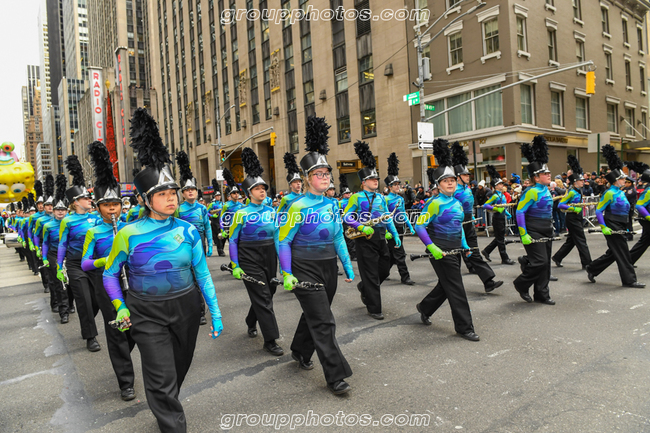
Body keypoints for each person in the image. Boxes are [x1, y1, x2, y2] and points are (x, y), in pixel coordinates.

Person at [103, 108, 223, 432]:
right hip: (145, 312)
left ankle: (167, 404)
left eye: (173, 194)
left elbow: (202, 274)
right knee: (160, 376)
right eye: (163, 195)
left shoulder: (188, 230)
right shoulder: (128, 233)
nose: (171, 199)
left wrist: (214, 311)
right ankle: (172, 424)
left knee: (177, 370)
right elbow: (109, 274)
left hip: (186, 307)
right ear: (145, 199)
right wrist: (120, 305)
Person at [277, 115, 354, 395]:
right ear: (307, 179)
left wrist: (347, 265)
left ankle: (299, 349)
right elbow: (283, 240)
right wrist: (287, 272)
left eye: (327, 174)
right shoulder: (296, 206)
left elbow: (338, 236)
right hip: (303, 267)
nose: (325, 178)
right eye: (319, 174)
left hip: (328, 266)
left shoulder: (333, 205)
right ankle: (336, 375)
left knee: (316, 313)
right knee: (323, 320)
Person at [81, 141, 137, 401]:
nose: (113, 208)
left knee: (134, 328)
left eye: (116, 203)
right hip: (106, 284)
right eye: (107, 205)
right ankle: (126, 382)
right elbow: (85, 263)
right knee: (116, 332)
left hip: (134, 283)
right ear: (98, 207)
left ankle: (125, 355)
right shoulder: (93, 232)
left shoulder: (131, 227)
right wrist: (106, 261)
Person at [414, 139, 479, 342]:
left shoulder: (457, 203)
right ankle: (464, 327)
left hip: (455, 249)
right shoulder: (433, 203)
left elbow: (458, 227)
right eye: (445, 181)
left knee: (446, 285)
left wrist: (465, 245)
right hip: (440, 251)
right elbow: (419, 226)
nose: (450, 183)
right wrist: (431, 247)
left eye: (452, 180)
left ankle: (425, 307)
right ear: (438, 185)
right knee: (456, 287)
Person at [229, 147, 282, 355]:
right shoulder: (240, 214)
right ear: (249, 193)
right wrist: (235, 265)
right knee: (262, 294)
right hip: (248, 257)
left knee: (269, 292)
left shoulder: (272, 211)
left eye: (263, 188)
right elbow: (233, 240)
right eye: (257, 188)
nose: (262, 191)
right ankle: (271, 340)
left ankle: (251, 320)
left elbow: (277, 237)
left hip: (269, 255)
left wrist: (284, 262)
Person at [343, 140, 400, 320]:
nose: (376, 181)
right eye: (372, 179)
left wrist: (394, 233)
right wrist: (360, 226)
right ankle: (374, 308)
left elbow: (387, 217)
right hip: (364, 238)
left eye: (376, 179)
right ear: (363, 182)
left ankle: (364, 287)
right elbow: (346, 216)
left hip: (381, 236)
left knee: (384, 270)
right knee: (370, 273)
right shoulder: (356, 197)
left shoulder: (381, 198)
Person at [57, 155, 102, 351]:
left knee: (96, 301)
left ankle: (87, 319)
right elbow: (62, 245)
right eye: (85, 198)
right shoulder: (67, 221)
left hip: (94, 263)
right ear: (75, 202)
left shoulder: (97, 218)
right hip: (75, 264)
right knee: (84, 299)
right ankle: (90, 337)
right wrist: (59, 267)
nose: (89, 200)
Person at [586, 146, 645, 288]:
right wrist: (603, 227)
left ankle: (593, 268)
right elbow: (599, 211)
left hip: (621, 223)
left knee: (614, 252)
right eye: (621, 178)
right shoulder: (609, 193)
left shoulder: (620, 192)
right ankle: (629, 280)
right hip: (612, 223)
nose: (624, 180)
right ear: (615, 181)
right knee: (623, 251)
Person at [450, 141, 503, 292]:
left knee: (473, 249)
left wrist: (471, 216)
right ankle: (450, 286)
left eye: (468, 174)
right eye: (465, 175)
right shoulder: (453, 190)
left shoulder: (467, 188)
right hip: (456, 223)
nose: (468, 176)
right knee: (455, 256)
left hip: (468, 220)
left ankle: (488, 281)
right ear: (458, 176)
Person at [513, 136, 556, 305]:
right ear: (536, 178)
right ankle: (521, 284)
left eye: (549, 173)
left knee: (545, 264)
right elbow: (520, 211)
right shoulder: (531, 191)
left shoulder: (546, 190)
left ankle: (542, 294)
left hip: (547, 228)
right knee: (540, 262)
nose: (549, 175)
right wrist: (523, 233)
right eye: (545, 173)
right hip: (533, 229)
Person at [552, 155, 592, 269]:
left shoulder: (579, 191)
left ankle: (557, 257)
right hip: (572, 218)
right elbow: (561, 204)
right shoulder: (571, 192)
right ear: (575, 182)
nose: (583, 182)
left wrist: (582, 207)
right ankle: (587, 263)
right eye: (580, 181)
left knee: (571, 241)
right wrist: (574, 209)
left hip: (578, 217)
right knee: (581, 240)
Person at [42, 175, 71, 324]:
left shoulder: (71, 223)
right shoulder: (47, 226)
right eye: (57, 209)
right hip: (54, 255)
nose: (60, 212)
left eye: (63, 209)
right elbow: (45, 243)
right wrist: (44, 258)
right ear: (53, 211)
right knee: (59, 284)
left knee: (71, 283)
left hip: (70, 255)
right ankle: (63, 311)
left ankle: (70, 304)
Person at [384, 152, 415, 285]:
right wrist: (387, 231)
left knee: (392, 254)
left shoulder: (401, 199)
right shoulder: (385, 199)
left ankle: (382, 272)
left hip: (400, 227)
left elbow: (403, 214)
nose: (398, 186)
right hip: (391, 229)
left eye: (399, 184)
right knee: (399, 252)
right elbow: (384, 216)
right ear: (389, 187)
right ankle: (405, 277)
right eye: (395, 184)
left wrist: (410, 226)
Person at [481, 165, 515, 265]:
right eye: (500, 184)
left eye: (501, 184)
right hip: (497, 219)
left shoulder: (502, 195)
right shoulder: (495, 195)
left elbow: (503, 207)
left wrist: (507, 213)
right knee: (500, 239)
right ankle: (504, 258)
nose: (502, 185)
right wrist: (496, 209)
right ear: (495, 186)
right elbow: (485, 205)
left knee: (499, 238)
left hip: (501, 217)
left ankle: (486, 251)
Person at [629, 162, 650, 263]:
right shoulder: (649, 191)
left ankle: (629, 261)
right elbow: (639, 205)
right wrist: (648, 217)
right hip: (647, 220)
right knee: (644, 241)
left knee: (644, 242)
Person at [219, 168, 243, 249]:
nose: (236, 194)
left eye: (237, 193)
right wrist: (222, 230)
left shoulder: (242, 206)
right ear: (230, 195)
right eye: (234, 193)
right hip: (230, 229)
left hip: (240, 229)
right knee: (233, 248)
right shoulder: (226, 206)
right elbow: (221, 218)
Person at [338, 174, 356, 261]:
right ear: (343, 194)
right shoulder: (340, 203)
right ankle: (353, 254)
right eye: (346, 193)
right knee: (349, 239)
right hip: (345, 222)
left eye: (349, 193)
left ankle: (355, 253)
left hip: (354, 220)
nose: (348, 194)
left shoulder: (352, 201)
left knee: (355, 237)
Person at [207, 181, 225, 256]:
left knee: (223, 236)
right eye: (217, 196)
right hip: (215, 221)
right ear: (215, 197)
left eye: (219, 195)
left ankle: (221, 248)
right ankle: (220, 250)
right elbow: (207, 213)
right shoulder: (212, 204)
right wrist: (212, 216)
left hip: (222, 221)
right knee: (217, 236)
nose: (218, 197)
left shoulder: (223, 204)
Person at [623, 177, 637, 241]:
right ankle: (625, 234)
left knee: (628, 222)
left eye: (626, 182)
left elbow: (626, 196)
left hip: (629, 208)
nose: (625, 184)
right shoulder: (625, 189)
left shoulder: (631, 190)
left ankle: (629, 235)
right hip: (624, 208)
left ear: (630, 183)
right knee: (624, 222)